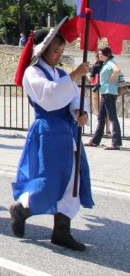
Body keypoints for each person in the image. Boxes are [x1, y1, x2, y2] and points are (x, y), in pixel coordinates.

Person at [11, 18, 93, 252]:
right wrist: (75, 74)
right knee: (48, 180)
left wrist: (79, 110)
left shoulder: (59, 73)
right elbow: (50, 98)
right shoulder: (33, 73)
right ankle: (22, 209)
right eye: (55, 50)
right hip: (48, 130)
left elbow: (73, 96)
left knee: (71, 181)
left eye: (61, 50)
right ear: (43, 50)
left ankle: (61, 231)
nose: (58, 54)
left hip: (67, 131)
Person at [85, 46, 123, 150]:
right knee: (101, 117)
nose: (99, 55)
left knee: (112, 117)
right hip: (105, 92)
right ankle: (95, 141)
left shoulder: (110, 62)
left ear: (107, 54)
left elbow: (117, 70)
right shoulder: (106, 63)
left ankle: (116, 143)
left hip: (109, 92)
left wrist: (110, 80)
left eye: (101, 53)